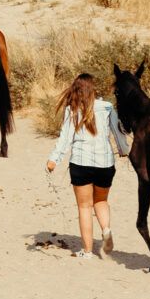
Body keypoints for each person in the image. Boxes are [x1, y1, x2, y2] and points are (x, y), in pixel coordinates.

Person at [44, 72, 128, 259]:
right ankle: (106, 229)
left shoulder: (72, 110)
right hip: (105, 164)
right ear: (93, 89)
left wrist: (53, 160)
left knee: (84, 207)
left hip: (80, 164)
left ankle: (88, 252)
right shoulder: (107, 107)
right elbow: (118, 132)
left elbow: (64, 140)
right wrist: (124, 150)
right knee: (101, 201)